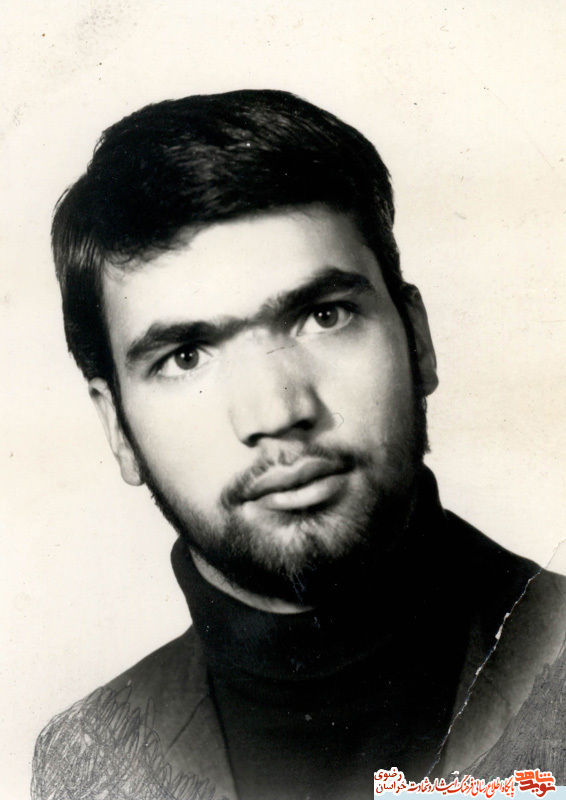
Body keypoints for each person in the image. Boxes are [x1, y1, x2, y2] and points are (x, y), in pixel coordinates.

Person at [32, 90, 566, 800]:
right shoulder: (81, 762)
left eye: (324, 315)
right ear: (117, 429)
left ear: (418, 338)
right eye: (186, 357)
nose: (278, 412)